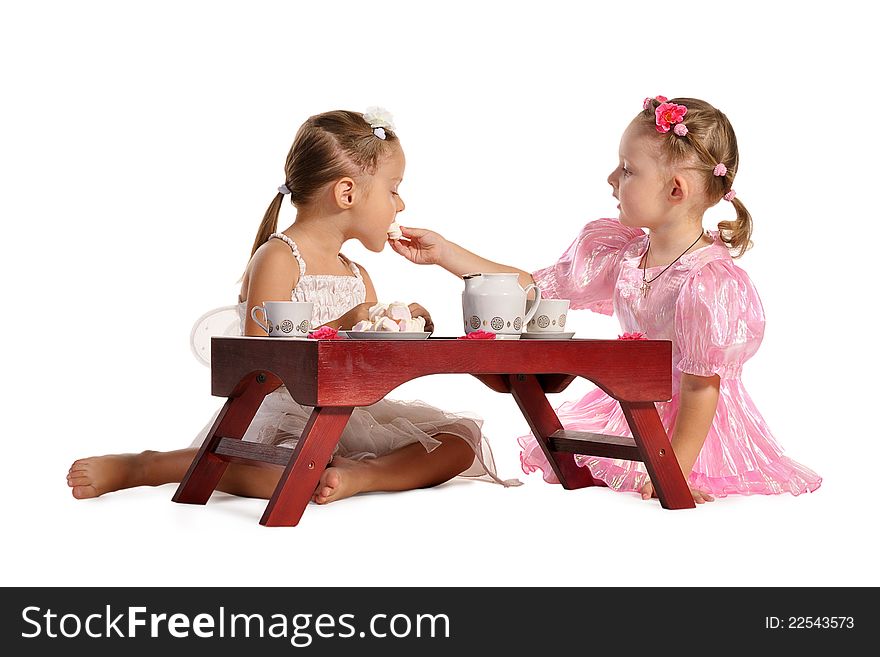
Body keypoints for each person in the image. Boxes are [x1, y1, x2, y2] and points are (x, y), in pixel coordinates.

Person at [68, 108, 516, 505]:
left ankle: (361, 476)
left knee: (462, 440)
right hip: (282, 410)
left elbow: (367, 368)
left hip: (348, 412)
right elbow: (260, 360)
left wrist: (400, 330)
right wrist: (346, 322)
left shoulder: (358, 275)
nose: (401, 204)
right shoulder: (279, 257)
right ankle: (150, 466)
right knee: (286, 470)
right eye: (394, 189)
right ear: (347, 194)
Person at [391, 96, 821, 503]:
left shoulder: (709, 281)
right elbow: (536, 289)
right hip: (633, 404)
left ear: (676, 190)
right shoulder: (625, 255)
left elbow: (701, 384)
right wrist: (445, 253)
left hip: (693, 430)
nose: (612, 179)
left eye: (628, 170)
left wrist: (674, 470)